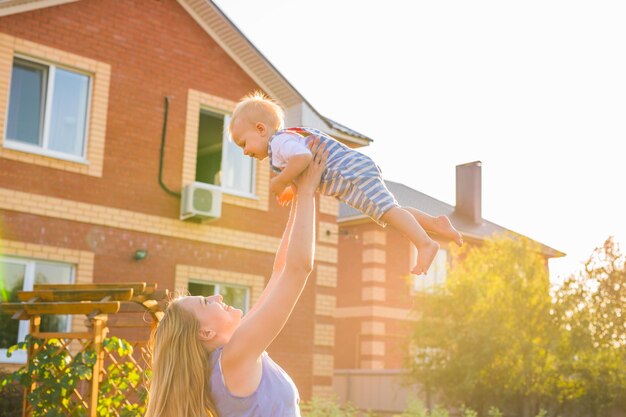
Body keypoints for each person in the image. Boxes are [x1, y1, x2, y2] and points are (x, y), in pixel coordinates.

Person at [145, 140, 328, 417]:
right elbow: (298, 269)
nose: (218, 297)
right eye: (207, 302)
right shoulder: (233, 358)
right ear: (206, 333)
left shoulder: (232, 355)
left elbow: (280, 271)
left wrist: (299, 199)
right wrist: (307, 190)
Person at [229, 91, 463, 275]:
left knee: (387, 211)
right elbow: (300, 164)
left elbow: (303, 158)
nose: (244, 151)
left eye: (243, 144)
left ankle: (424, 243)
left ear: (261, 129)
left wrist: (281, 181)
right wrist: (292, 189)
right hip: (352, 172)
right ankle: (434, 223)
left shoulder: (278, 143)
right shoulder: (285, 140)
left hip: (349, 174)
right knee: (390, 212)